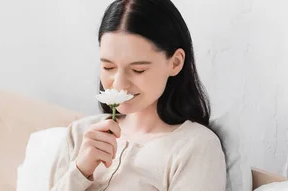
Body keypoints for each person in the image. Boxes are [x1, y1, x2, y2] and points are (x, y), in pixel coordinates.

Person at [49, 0, 226, 190]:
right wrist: (80, 171)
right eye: (108, 67)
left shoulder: (194, 148)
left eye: (138, 70)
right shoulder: (79, 134)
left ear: (175, 62)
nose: (118, 84)